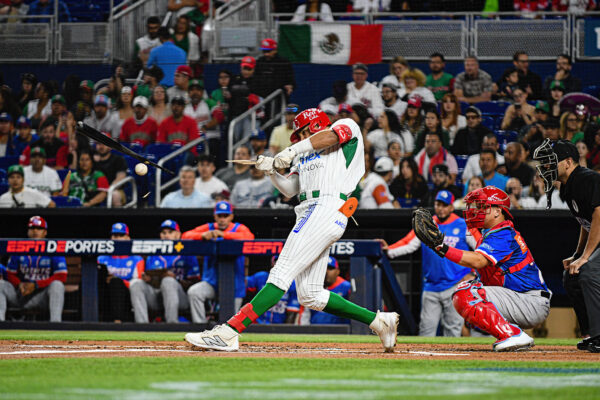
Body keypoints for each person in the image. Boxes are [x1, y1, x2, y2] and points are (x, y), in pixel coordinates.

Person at [184, 108, 400, 352]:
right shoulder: (304, 155)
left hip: (327, 207)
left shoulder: (346, 127)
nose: (302, 136)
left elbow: (330, 136)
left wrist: (290, 151)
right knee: (311, 295)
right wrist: (271, 171)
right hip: (308, 211)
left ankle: (230, 331)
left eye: (305, 130)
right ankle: (380, 322)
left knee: (280, 273)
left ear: (317, 123)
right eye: (300, 134)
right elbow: (289, 189)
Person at [414, 186, 551, 351]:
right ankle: (513, 336)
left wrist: (442, 247)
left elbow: (478, 260)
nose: (476, 211)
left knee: (467, 292)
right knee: (469, 289)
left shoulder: (503, 232)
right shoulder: (492, 233)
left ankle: (512, 334)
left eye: (482, 206)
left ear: (497, 211)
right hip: (520, 298)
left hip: (530, 301)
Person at [534, 139, 600, 352]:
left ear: (569, 162)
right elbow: (586, 222)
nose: (547, 167)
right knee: (571, 276)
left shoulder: (586, 179)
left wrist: (585, 257)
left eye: (552, 162)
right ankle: (590, 333)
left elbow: (599, 214)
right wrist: (577, 254)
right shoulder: (569, 186)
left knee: (588, 271)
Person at [380, 191, 476, 336]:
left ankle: (452, 358)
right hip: (431, 285)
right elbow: (408, 243)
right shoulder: (426, 224)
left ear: (451, 207)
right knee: (426, 331)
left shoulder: (464, 225)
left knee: (453, 331)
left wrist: (473, 273)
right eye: (438, 204)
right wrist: (388, 250)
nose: (441, 208)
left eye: (445, 205)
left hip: (456, 285)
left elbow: (481, 250)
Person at [183, 201, 255, 323]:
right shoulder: (209, 227)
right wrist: (202, 236)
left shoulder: (238, 228)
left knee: (230, 322)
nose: (222, 219)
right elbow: (185, 236)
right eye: (219, 216)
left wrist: (224, 234)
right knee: (194, 292)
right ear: (215, 216)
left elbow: (249, 237)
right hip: (212, 283)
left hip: (234, 285)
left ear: (231, 216)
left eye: (225, 216)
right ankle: (200, 326)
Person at [130, 219, 200, 323]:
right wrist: (149, 280)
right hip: (157, 296)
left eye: (170, 232)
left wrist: (175, 279)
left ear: (178, 234)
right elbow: (151, 279)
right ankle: (142, 326)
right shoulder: (154, 254)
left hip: (181, 298)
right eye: (163, 233)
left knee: (168, 281)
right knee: (135, 283)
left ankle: (171, 324)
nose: (166, 235)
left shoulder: (187, 253)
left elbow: (194, 284)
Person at [0, 216, 66, 322]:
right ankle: (1, 323)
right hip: (20, 294)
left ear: (45, 232)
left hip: (41, 296)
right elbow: (9, 274)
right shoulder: (19, 247)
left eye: (39, 228)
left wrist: (36, 284)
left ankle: (56, 324)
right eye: (32, 228)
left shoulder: (53, 248)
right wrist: (19, 284)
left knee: (57, 285)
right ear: (28, 231)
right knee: (1, 284)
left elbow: (61, 276)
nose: (35, 231)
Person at [97, 223, 144, 322]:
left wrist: (118, 281)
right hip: (105, 294)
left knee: (116, 283)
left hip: (126, 296)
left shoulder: (137, 259)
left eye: (121, 235)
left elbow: (137, 284)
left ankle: (117, 321)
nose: (117, 238)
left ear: (127, 238)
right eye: (115, 236)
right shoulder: (101, 258)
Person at [309, 257, 352, 324]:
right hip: (314, 329)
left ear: (337, 271)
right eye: (323, 268)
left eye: (330, 268)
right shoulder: (311, 287)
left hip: (340, 330)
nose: (326, 271)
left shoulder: (346, 287)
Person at [93, 141, 128, 206]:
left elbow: (120, 177)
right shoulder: (92, 160)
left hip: (114, 189)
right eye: (98, 143)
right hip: (95, 189)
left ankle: (117, 216)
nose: (101, 146)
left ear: (110, 147)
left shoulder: (118, 159)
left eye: (104, 144)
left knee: (115, 195)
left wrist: (109, 190)